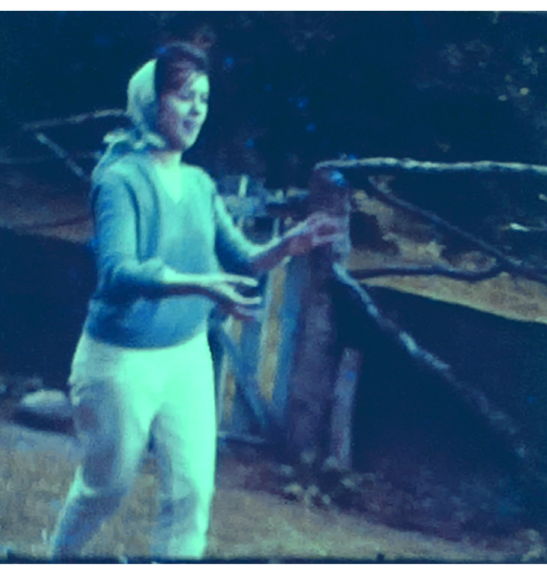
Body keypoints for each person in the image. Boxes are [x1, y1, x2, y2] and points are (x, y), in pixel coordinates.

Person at [48, 42, 345, 561]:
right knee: (107, 488)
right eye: (184, 96)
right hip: (118, 363)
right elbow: (118, 271)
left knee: (191, 494)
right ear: (151, 101)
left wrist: (286, 244)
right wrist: (202, 285)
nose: (196, 109)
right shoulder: (119, 179)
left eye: (203, 99)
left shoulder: (200, 183)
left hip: (186, 357)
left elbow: (244, 257)